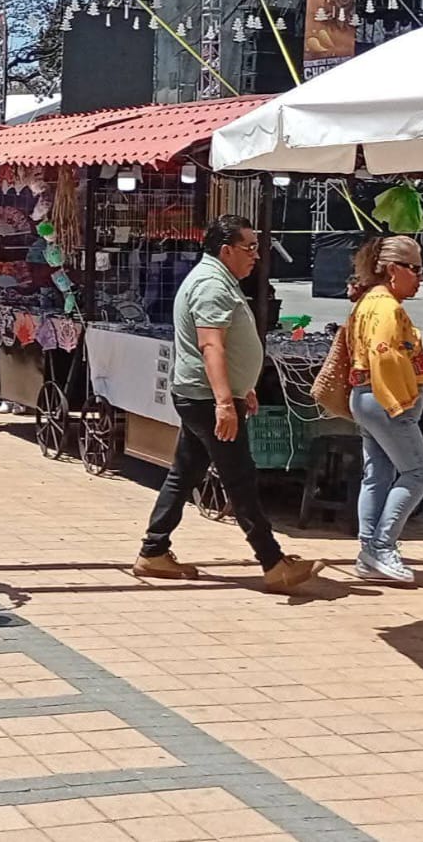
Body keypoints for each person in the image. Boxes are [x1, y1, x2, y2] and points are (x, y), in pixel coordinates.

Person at [133, 214, 318, 593]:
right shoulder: (211, 286)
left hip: (204, 394)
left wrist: (241, 386)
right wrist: (223, 402)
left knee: (183, 474)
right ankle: (272, 561)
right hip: (205, 397)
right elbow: (211, 345)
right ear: (226, 250)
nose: (255, 255)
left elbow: (227, 345)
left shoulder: (218, 280)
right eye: (249, 247)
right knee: (240, 479)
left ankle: (154, 550)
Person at [347, 235, 423, 585]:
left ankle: (369, 550)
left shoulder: (370, 301)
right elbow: (386, 355)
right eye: (416, 269)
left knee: (378, 471)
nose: (420, 277)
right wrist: (402, 402)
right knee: (419, 472)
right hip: (384, 399)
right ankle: (381, 546)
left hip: (367, 398)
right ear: (395, 270)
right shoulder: (386, 307)